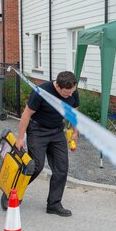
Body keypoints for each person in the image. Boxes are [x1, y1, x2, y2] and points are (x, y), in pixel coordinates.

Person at [15, 71, 79, 217]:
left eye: (72, 92)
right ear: (57, 86)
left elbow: (74, 112)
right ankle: (13, 193)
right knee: (36, 166)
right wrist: (20, 138)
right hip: (38, 130)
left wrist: (75, 132)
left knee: (61, 168)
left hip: (57, 131)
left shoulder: (72, 91)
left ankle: (54, 205)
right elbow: (26, 115)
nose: (70, 96)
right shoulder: (40, 92)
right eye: (66, 93)